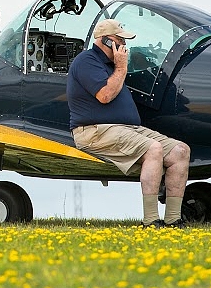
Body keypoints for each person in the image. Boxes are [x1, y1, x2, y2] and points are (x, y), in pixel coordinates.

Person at [67, 18, 191, 227]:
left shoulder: (111, 65)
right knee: (154, 149)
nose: (125, 45)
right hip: (94, 131)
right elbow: (105, 95)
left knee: (180, 151)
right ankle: (151, 220)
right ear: (106, 41)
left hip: (126, 129)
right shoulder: (86, 61)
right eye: (120, 40)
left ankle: (173, 219)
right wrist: (122, 67)